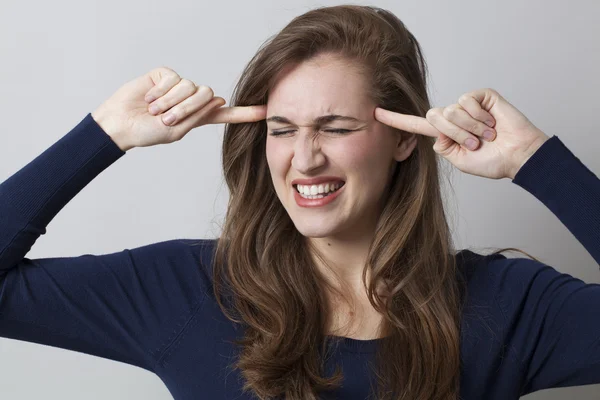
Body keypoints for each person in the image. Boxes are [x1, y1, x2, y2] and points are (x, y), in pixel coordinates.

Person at [1, 4, 598, 400]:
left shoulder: (508, 306)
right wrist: (104, 133)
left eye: (336, 127)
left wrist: (536, 160)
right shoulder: (189, 290)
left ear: (399, 140)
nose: (304, 158)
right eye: (282, 129)